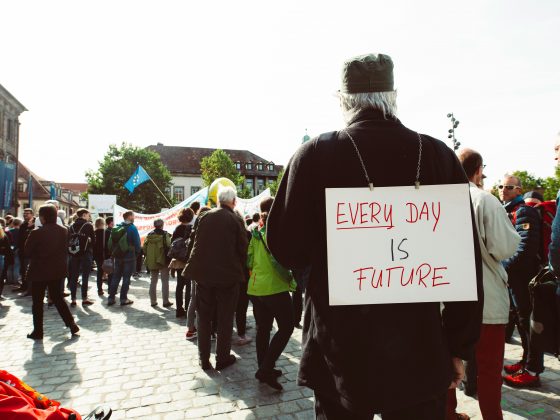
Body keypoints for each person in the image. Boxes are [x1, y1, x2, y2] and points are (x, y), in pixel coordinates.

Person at [266, 53, 483, 419]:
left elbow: (286, 249)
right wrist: (458, 346)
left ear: (342, 100)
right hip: (420, 348)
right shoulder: (437, 155)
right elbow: (466, 262)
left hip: (340, 351)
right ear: (393, 95)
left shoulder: (315, 154)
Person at [446, 150, 520, 419]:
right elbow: (505, 247)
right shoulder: (484, 200)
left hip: (447, 297)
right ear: (478, 171)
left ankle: (448, 414)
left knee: (446, 365)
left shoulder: (438, 200)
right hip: (486, 296)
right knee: (489, 368)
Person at [184, 187, 248, 371]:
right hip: (227, 276)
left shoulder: (204, 216)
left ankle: (204, 359)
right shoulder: (235, 219)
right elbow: (243, 249)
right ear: (234, 201)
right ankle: (222, 357)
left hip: (203, 275)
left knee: (203, 317)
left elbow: (194, 243)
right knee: (225, 318)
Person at [247, 196, 295, 390]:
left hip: (257, 287)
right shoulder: (275, 232)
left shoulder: (255, 231)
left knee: (263, 328)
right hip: (274, 287)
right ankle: (266, 368)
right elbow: (284, 258)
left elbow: (249, 259)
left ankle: (265, 367)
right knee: (287, 327)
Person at [499, 174, 542, 387]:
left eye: (509, 187)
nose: (503, 189)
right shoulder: (509, 210)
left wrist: (503, 267)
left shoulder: (524, 211)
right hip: (516, 278)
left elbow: (525, 249)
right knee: (521, 320)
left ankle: (532, 370)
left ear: (519, 190)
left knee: (527, 323)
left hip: (523, 278)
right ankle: (526, 361)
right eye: (501, 185)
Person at [24, 204, 78, 340]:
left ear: (43, 217)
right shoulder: (64, 230)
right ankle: (71, 324)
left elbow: (27, 252)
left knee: (37, 302)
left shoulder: (36, 232)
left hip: (39, 272)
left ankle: (38, 331)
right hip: (57, 270)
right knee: (58, 298)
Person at [184, 206, 211, 340]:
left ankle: (191, 328)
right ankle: (197, 330)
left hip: (196, 269)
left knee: (194, 299)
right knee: (199, 300)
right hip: (202, 271)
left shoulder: (194, 230)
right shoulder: (201, 231)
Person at [108, 211, 141, 306]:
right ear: (130, 217)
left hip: (118, 255)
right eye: (133, 216)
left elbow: (111, 243)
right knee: (126, 278)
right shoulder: (132, 228)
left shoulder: (117, 226)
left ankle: (111, 298)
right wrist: (137, 253)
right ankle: (123, 299)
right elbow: (137, 243)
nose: (134, 217)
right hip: (129, 256)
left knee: (116, 276)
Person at [68, 208, 95, 307]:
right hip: (85, 253)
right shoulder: (88, 225)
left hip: (74, 254)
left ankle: (73, 299)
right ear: (84, 215)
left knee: (73, 277)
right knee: (85, 276)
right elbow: (94, 240)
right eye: (88, 215)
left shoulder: (71, 226)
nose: (89, 217)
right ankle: (84, 298)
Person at [170, 208, 194, 317]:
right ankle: (188, 308)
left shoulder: (177, 228)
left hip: (179, 260)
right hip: (189, 261)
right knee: (189, 286)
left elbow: (172, 244)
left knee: (179, 285)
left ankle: (179, 309)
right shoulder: (193, 229)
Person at [143, 218, 173, 307]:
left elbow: (144, 248)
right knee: (165, 281)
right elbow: (169, 245)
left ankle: (153, 301)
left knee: (153, 281)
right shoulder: (165, 234)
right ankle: (165, 301)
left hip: (152, 260)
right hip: (163, 260)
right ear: (162, 225)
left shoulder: (149, 235)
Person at [16, 208, 35, 294]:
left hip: (29, 252)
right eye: (24, 213)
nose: (25, 215)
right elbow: (20, 238)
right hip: (22, 251)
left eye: (27, 213)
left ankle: (29, 288)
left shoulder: (34, 225)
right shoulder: (23, 224)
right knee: (23, 270)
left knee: (28, 270)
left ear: (32, 214)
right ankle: (24, 286)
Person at [93, 217, 108, 296]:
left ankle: (100, 289)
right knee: (110, 271)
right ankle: (111, 290)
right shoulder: (106, 232)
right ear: (103, 224)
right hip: (106, 255)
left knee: (99, 272)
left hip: (97, 256)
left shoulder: (93, 233)